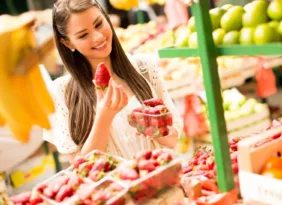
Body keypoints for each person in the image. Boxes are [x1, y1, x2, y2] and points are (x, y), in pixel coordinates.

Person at [43, 0, 183, 162]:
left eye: (99, 24)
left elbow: (173, 140)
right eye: (83, 35)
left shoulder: (144, 68)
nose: (98, 37)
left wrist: (152, 126)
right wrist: (104, 116)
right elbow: (80, 169)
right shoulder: (61, 92)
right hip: (113, 187)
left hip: (162, 181)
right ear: (67, 43)